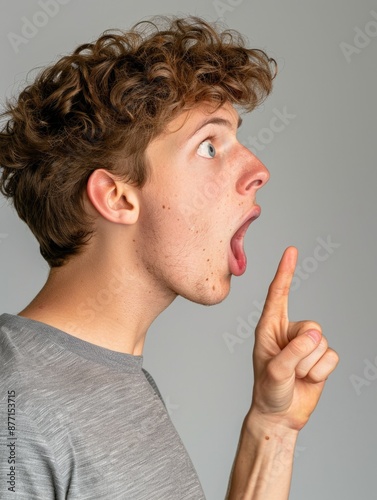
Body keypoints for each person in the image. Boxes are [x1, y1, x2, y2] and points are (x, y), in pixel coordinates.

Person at [0, 16, 338, 499]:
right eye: (208, 145)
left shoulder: (116, 379)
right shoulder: (17, 404)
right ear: (117, 199)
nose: (258, 170)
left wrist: (274, 427)